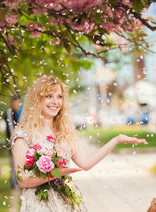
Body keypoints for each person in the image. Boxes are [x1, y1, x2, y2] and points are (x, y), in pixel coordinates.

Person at [11, 76, 147, 212]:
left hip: (66, 202)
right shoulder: (24, 135)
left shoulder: (64, 132)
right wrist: (56, 173)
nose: (55, 101)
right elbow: (22, 180)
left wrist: (116, 140)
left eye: (59, 97)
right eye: (49, 96)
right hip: (39, 203)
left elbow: (86, 163)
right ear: (37, 99)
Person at [5, 95, 22, 189]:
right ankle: (14, 182)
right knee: (13, 162)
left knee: (19, 162)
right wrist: (14, 141)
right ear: (12, 103)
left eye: (19, 103)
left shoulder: (17, 113)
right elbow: (11, 128)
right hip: (13, 142)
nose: (18, 105)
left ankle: (19, 181)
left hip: (18, 142)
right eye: (16, 103)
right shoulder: (9, 112)